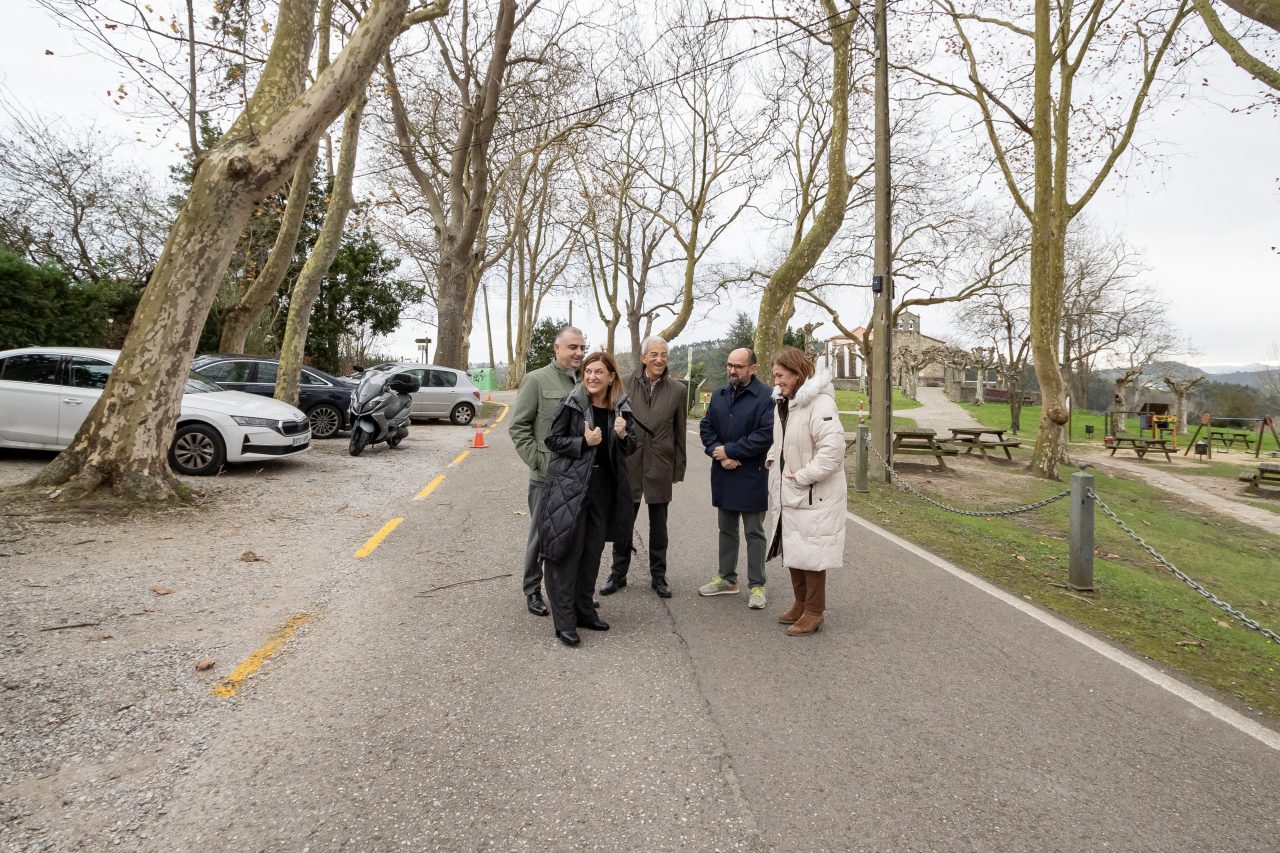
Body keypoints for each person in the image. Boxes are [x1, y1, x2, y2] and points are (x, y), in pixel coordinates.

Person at [539, 352, 638, 646]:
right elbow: (552, 441)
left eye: (598, 372)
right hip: (571, 489)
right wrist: (584, 442)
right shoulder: (572, 404)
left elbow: (631, 447)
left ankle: (584, 611)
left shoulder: (621, 409)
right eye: (588, 372)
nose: (592, 377)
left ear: (611, 377)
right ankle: (565, 621)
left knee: (592, 553)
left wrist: (622, 436)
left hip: (603, 491)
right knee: (567, 553)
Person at [765, 347, 847, 636]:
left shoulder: (820, 405)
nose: (777, 382)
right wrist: (772, 457)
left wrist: (801, 477)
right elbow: (784, 441)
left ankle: (814, 612)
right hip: (791, 489)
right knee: (793, 547)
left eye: (780, 375)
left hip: (814, 493)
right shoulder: (786, 404)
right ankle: (800, 603)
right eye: (775, 376)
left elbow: (833, 452)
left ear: (797, 374)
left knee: (812, 553)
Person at [601, 336, 686, 599]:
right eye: (655, 355)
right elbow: (611, 421)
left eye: (664, 355)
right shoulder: (624, 383)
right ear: (643, 358)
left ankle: (658, 576)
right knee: (623, 522)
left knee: (659, 526)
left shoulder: (678, 390)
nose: (659, 360)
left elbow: (680, 431)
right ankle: (618, 573)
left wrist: (678, 469)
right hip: (629, 462)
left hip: (660, 462)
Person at [509, 326, 585, 617]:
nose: (578, 353)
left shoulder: (585, 381)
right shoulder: (536, 380)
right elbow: (518, 427)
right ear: (557, 348)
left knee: (573, 536)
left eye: (581, 347)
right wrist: (538, 461)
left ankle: (569, 591)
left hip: (578, 476)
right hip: (546, 477)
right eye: (572, 347)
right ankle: (532, 589)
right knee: (541, 536)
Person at [697, 347, 774, 609]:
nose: (732, 370)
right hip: (724, 473)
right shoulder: (719, 395)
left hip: (753, 474)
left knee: (754, 531)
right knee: (726, 529)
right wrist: (718, 454)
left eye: (738, 366)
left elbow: (765, 435)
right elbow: (706, 428)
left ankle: (757, 585)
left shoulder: (766, 397)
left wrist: (730, 450)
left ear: (753, 368)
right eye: (730, 365)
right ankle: (727, 579)